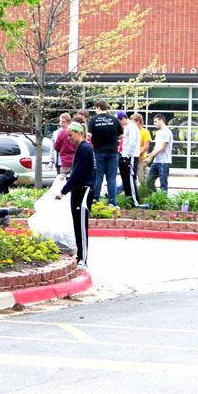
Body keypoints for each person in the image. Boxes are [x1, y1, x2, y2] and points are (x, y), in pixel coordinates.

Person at [54, 122, 95, 269]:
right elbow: (77, 171)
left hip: (84, 190)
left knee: (81, 226)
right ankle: (80, 256)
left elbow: (78, 173)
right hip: (78, 190)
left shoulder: (85, 148)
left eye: (70, 135)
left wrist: (63, 191)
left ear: (78, 133)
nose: (69, 139)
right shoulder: (82, 148)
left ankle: (83, 258)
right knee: (77, 225)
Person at [87, 100, 122, 207]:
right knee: (111, 178)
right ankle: (112, 202)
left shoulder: (93, 120)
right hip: (112, 152)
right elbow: (121, 136)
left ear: (98, 107)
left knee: (98, 177)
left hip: (98, 152)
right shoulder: (114, 120)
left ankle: (95, 200)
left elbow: (89, 136)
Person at [145, 114, 173, 194]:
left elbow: (162, 147)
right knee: (149, 182)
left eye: (156, 121)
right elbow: (156, 147)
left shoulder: (167, 132)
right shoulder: (158, 133)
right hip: (156, 161)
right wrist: (150, 157)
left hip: (164, 162)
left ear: (161, 120)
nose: (154, 123)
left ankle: (163, 201)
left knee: (163, 184)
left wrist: (150, 157)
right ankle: (156, 197)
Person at [118, 111, 140, 207]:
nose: (119, 124)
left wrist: (127, 155)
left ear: (122, 118)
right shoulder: (127, 127)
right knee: (125, 179)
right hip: (125, 155)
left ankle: (135, 202)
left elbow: (132, 142)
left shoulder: (132, 126)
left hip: (130, 156)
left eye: (119, 121)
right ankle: (129, 201)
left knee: (130, 179)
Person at [135, 114, 152, 180]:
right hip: (132, 158)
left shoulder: (145, 132)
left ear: (139, 121)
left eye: (133, 121)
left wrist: (137, 153)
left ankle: (145, 190)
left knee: (142, 178)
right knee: (129, 178)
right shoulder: (132, 131)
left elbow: (146, 146)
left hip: (141, 159)